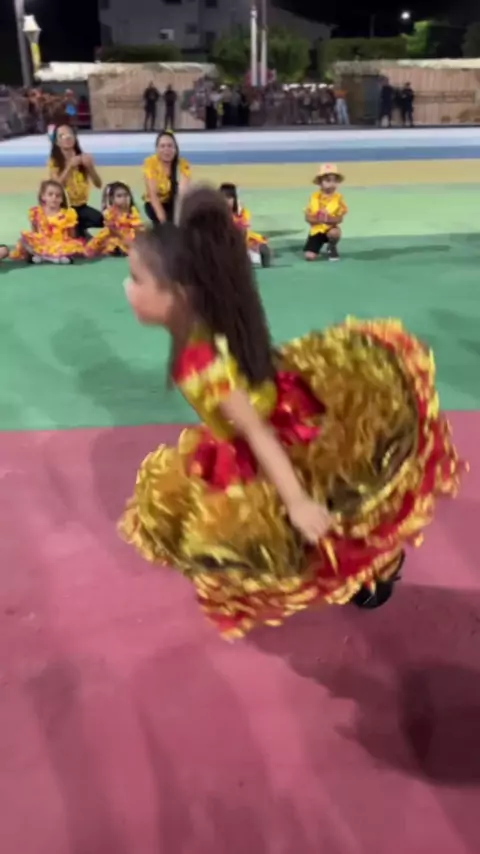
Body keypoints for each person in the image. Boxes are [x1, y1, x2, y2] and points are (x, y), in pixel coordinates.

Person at [118, 186, 463, 640]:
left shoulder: (201, 363)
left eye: (136, 279)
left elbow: (257, 432)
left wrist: (297, 501)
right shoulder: (210, 319)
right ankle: (368, 565)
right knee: (323, 515)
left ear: (179, 294)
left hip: (277, 436)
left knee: (321, 517)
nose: (127, 289)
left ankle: (377, 569)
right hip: (267, 410)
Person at [9, 179, 86, 264]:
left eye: (58, 196)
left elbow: (72, 235)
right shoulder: (36, 212)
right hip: (43, 244)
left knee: (72, 246)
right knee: (23, 240)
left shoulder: (68, 214)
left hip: (60, 244)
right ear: (43, 196)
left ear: (62, 199)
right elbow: (35, 231)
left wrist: (67, 244)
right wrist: (36, 243)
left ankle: (46, 257)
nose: (54, 198)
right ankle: (52, 257)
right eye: (50, 194)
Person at [48, 124, 103, 239]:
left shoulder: (83, 158)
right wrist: (69, 167)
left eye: (69, 134)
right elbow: (56, 187)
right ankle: (80, 233)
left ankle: (82, 231)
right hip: (65, 210)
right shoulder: (54, 161)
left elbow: (98, 184)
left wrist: (90, 167)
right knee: (80, 242)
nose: (67, 137)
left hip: (82, 207)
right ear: (57, 142)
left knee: (107, 221)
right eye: (62, 136)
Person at [142, 130, 191, 225]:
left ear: (175, 148)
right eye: (162, 146)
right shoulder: (150, 163)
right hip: (155, 203)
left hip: (174, 202)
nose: (166, 150)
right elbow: (153, 195)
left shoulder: (183, 164)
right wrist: (164, 222)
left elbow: (182, 195)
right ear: (157, 149)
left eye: (170, 146)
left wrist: (178, 220)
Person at [219, 182, 271, 267]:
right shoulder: (215, 213)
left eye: (229, 198)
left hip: (241, 244)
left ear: (235, 199)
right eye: (223, 198)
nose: (226, 201)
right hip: (223, 244)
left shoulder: (242, 212)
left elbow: (244, 232)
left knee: (261, 246)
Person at [86, 182, 143, 257]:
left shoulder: (133, 211)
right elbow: (113, 230)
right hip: (114, 235)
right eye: (119, 196)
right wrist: (124, 238)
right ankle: (116, 250)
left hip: (130, 235)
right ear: (112, 199)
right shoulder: (109, 213)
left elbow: (138, 228)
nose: (124, 198)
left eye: (126, 195)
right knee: (111, 242)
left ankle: (123, 249)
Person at [304, 164, 347, 262]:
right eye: (328, 180)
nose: (332, 184)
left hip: (330, 229)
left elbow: (340, 219)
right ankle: (315, 247)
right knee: (309, 257)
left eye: (335, 181)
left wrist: (327, 219)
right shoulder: (313, 197)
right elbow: (307, 217)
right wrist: (317, 219)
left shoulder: (338, 199)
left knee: (335, 233)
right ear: (320, 182)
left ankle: (331, 247)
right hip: (316, 231)